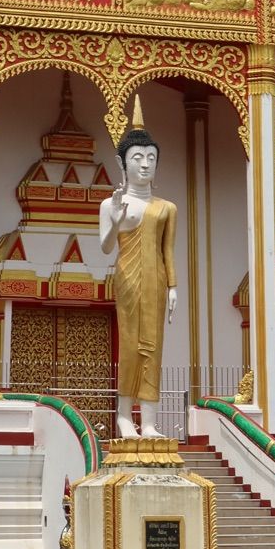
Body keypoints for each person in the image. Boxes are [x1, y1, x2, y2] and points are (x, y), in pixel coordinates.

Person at [99, 100, 177, 439]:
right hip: (128, 279)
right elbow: (105, 246)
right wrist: (116, 221)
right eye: (137, 158)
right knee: (131, 345)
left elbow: (168, 250)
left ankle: (148, 422)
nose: (145, 165)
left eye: (151, 158)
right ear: (122, 163)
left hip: (157, 281)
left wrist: (173, 287)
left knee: (154, 348)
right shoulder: (111, 204)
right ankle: (123, 418)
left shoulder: (167, 208)